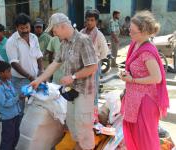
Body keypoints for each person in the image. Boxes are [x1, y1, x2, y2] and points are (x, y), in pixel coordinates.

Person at [30, 13, 98, 150]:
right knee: (72, 123)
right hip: (71, 92)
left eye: (54, 31)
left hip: (84, 91)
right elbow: (55, 64)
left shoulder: (83, 40)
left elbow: (93, 67)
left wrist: (73, 77)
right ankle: (80, 146)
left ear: (62, 26)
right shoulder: (64, 43)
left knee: (83, 126)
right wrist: (38, 80)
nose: (54, 34)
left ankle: (86, 147)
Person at [118, 11, 169, 150]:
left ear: (144, 32)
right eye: (130, 30)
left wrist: (132, 80)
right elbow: (135, 69)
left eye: (133, 32)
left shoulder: (147, 51)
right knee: (135, 138)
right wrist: (126, 75)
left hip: (145, 103)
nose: (130, 34)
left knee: (145, 141)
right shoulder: (136, 44)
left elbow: (157, 78)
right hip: (134, 100)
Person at [6, 13, 44, 116]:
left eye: (27, 27)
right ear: (17, 27)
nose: (25, 30)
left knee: (37, 106)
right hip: (19, 81)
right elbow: (14, 63)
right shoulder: (11, 41)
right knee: (19, 109)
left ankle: (32, 130)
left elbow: (39, 55)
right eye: (22, 28)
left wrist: (41, 70)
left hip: (35, 77)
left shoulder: (34, 37)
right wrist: (29, 76)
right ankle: (18, 130)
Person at [81, 9, 109, 122]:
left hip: (94, 66)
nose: (89, 22)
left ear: (96, 21)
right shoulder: (82, 32)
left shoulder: (99, 35)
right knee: (82, 89)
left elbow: (104, 53)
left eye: (92, 20)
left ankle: (94, 118)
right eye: (87, 20)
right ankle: (83, 113)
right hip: (82, 66)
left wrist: (96, 61)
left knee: (93, 90)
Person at [0, 61, 22, 150]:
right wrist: (17, 98)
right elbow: (5, 103)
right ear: (1, 73)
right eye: (8, 71)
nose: (11, 73)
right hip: (8, 117)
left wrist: (20, 96)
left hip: (16, 114)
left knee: (15, 135)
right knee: (8, 138)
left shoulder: (9, 83)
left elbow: (14, 95)